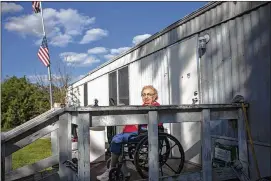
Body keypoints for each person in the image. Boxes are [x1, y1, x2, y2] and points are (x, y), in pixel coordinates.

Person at [97, 85, 161, 181]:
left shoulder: (156, 107)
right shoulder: (142, 107)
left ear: (155, 96)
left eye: (149, 94)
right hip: (134, 132)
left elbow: (157, 124)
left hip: (144, 134)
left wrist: (136, 125)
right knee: (117, 140)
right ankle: (124, 171)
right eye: (143, 95)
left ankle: (111, 169)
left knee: (117, 140)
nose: (146, 97)